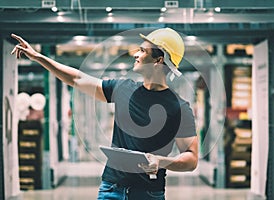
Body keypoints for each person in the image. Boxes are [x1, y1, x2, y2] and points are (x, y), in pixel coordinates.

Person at [11, 27, 199, 200]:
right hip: (111, 189)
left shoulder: (179, 108)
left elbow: (191, 158)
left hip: (149, 193)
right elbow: (77, 78)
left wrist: (162, 162)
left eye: (142, 50)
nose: (135, 54)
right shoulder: (123, 88)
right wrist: (38, 57)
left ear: (159, 60)